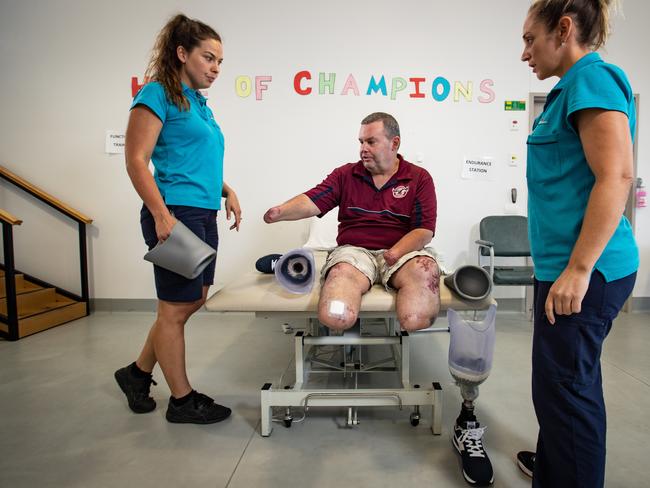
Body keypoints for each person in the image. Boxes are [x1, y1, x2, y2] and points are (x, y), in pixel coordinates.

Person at [264, 112, 493, 486]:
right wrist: (279, 212)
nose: (363, 149)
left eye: (370, 141)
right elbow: (314, 199)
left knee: (416, 315)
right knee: (336, 313)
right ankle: (347, 301)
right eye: (360, 142)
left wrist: (393, 254)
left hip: (402, 253)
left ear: (394, 143)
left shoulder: (418, 178)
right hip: (354, 252)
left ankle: (406, 299)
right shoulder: (346, 175)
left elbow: (424, 229)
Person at [518, 1, 638, 486]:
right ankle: (555, 467)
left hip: (587, 272)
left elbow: (617, 175)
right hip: (567, 269)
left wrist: (579, 269)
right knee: (558, 388)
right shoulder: (568, 91)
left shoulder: (592, 80)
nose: (524, 52)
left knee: (567, 392)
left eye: (530, 39)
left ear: (563, 29)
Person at [114, 14, 242, 425]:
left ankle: (136, 374)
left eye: (220, 61)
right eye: (209, 58)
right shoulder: (157, 94)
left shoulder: (199, 105)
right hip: (175, 214)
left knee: (192, 300)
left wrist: (227, 189)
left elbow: (192, 160)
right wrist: (161, 215)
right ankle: (182, 400)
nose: (216, 68)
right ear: (182, 53)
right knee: (174, 309)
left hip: (201, 212)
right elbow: (137, 161)